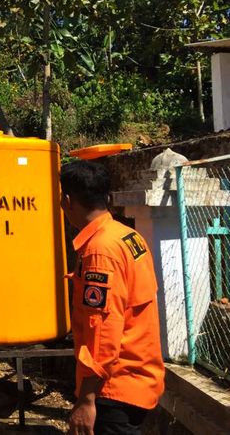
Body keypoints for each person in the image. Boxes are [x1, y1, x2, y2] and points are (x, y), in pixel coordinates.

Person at [60, 160, 165, 435]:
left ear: (67, 201)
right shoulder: (128, 236)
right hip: (138, 378)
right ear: (106, 197)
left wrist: (87, 400)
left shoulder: (100, 251)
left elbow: (102, 332)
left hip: (114, 387)